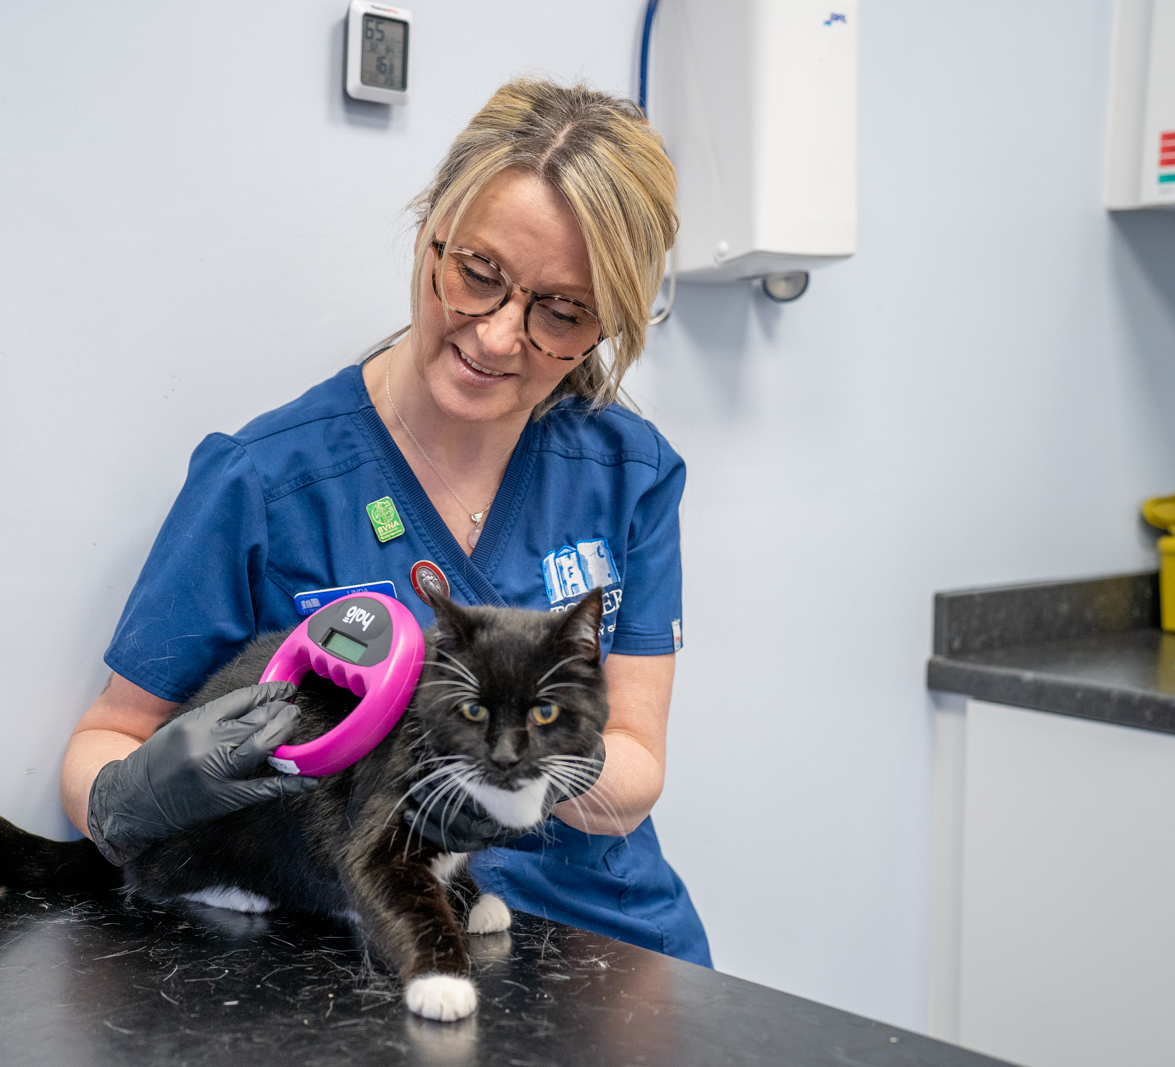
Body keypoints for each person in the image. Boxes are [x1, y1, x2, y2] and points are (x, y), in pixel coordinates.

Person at [59, 78, 710, 966]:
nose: (494, 337)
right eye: (476, 275)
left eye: (560, 313)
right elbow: (109, 736)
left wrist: (521, 780)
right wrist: (128, 801)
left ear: (606, 326)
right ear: (426, 229)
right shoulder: (268, 479)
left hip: (607, 941)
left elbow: (636, 758)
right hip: (360, 944)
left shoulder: (628, 472)